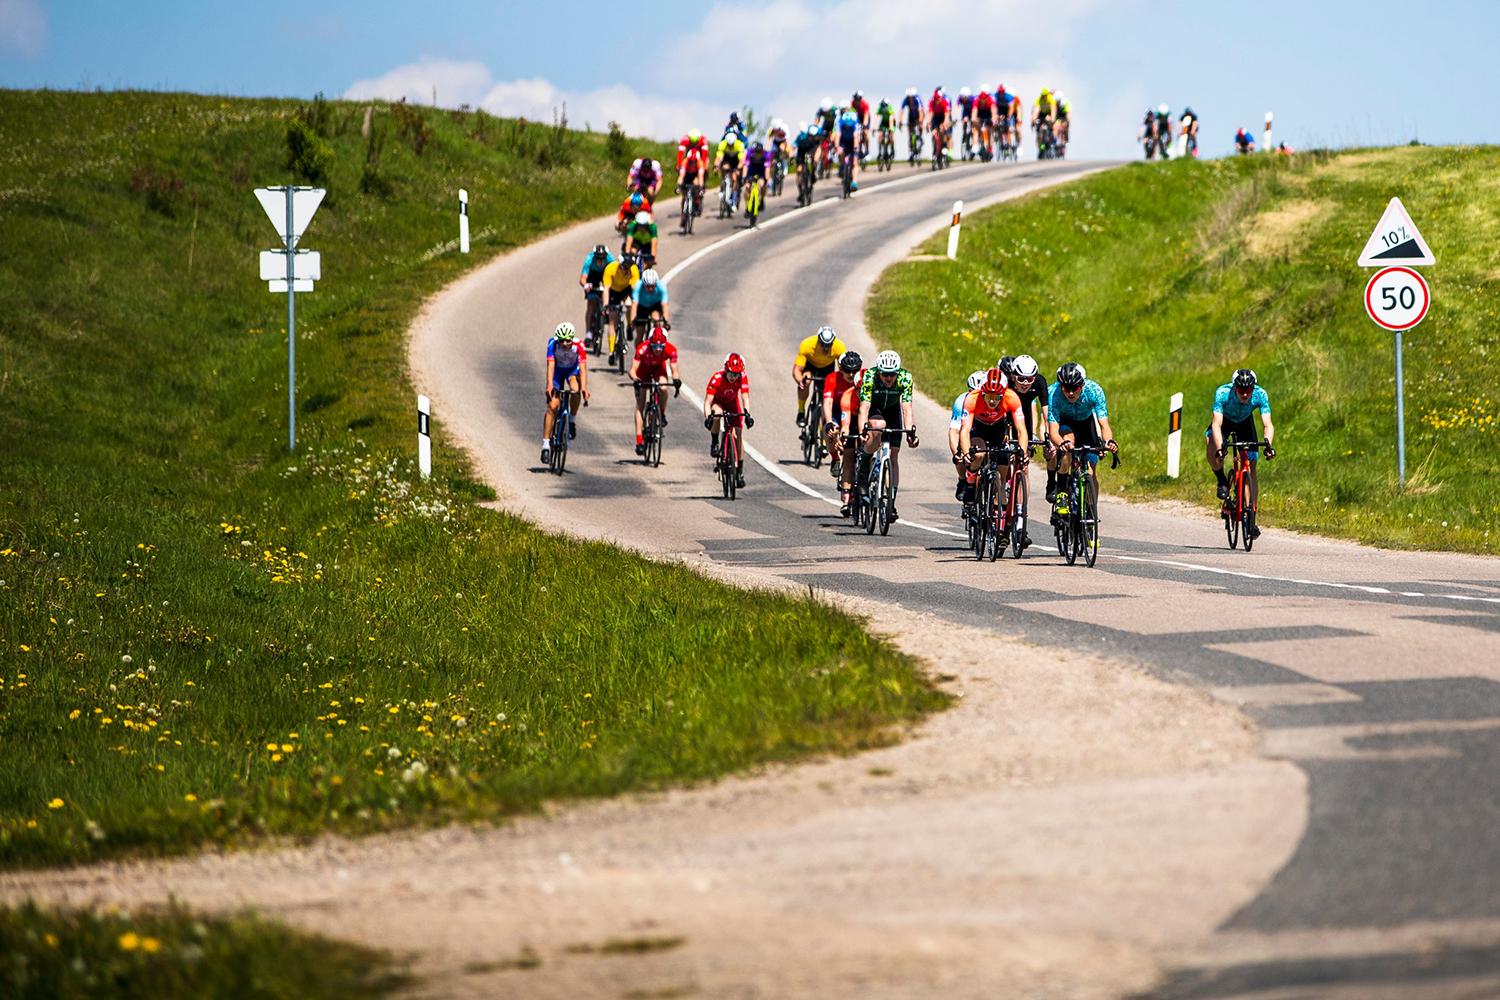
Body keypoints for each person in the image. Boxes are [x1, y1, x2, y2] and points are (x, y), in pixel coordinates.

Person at [958, 369, 1028, 541]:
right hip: (978, 428)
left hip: (998, 428)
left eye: (996, 397)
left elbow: (1021, 430)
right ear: (982, 392)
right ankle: (971, 480)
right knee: (979, 455)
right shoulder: (972, 398)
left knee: (1002, 475)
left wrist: (1023, 452)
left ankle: (999, 523)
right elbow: (965, 430)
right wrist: (967, 453)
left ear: (1003, 394)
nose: (991, 401)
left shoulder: (1012, 398)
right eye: (987, 396)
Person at [1206, 368, 1275, 537]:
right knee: (1211, 444)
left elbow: (1268, 424)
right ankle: (1221, 480)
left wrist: (1268, 445)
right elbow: (1216, 424)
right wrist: (1221, 447)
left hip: (1245, 423)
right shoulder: (1222, 393)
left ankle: (1251, 518)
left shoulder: (1260, 394)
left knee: (1250, 468)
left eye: (1248, 390)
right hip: (1225, 422)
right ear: (1234, 387)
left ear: (1253, 388)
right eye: (1241, 390)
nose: (1245, 394)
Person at [1047, 362, 1117, 513]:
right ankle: (1062, 493)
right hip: (1065, 425)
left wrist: (1108, 441)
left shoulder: (1094, 391)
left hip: (1086, 424)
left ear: (1082, 385)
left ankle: (1091, 512)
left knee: (1091, 473)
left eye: (1075, 388)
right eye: (1066, 388)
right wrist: (1061, 443)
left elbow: (1104, 424)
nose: (1070, 393)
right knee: (1067, 446)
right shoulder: (1053, 394)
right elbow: (1053, 430)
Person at [856, 350, 918, 521]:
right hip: (875, 410)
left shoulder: (905, 378)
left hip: (893, 412)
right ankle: (864, 461)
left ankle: (891, 501)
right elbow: (864, 408)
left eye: (892, 375)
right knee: (878, 427)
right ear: (879, 371)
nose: (889, 379)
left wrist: (910, 432)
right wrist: (863, 430)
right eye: (885, 375)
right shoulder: (870, 376)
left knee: (893, 455)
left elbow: (907, 408)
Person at [1006, 354, 1054, 501]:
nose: (1026, 383)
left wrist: (1049, 437)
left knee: (1023, 465)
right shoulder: (1006, 383)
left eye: (1030, 379)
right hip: (1006, 416)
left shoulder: (1040, 383)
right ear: (1013, 377)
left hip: (1024, 417)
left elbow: (1047, 413)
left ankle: (1020, 511)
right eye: (1021, 379)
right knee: (1004, 457)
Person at [824, 350, 865, 516]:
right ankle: (834, 458)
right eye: (847, 370)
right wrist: (829, 422)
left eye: (854, 370)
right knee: (831, 433)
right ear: (840, 369)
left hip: (856, 413)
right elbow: (827, 402)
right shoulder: (832, 378)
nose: (850, 374)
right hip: (836, 410)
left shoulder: (864, 377)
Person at [629, 326, 682, 455]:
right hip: (643, 372)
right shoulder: (642, 349)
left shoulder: (671, 349)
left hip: (659, 369)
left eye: (660, 347)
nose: (658, 350)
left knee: (663, 388)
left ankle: (661, 414)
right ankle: (639, 441)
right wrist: (636, 379)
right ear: (650, 344)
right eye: (654, 347)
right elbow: (632, 370)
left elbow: (674, 370)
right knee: (640, 404)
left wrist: (676, 380)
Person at [542, 321, 589, 464]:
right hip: (557, 372)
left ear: (572, 338)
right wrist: (549, 385)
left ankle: (572, 420)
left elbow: (583, 368)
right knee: (553, 406)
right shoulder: (552, 344)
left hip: (571, 371)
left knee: (575, 390)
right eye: (562, 340)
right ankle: (545, 445)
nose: (565, 343)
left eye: (568, 340)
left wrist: (584, 388)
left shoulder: (579, 346)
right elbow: (550, 366)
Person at [704, 352, 753, 488]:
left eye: (736, 374)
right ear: (726, 370)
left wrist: (747, 414)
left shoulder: (742, 377)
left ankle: (740, 471)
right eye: (731, 374)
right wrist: (708, 417)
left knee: (738, 434)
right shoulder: (717, 378)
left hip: (732, 403)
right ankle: (714, 442)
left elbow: (745, 397)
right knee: (718, 413)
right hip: (718, 402)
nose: (733, 377)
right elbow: (708, 402)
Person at [792, 324, 847, 426]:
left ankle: (825, 419)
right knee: (806, 381)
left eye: (829, 345)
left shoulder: (839, 347)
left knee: (827, 392)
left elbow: (843, 370)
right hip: (810, 366)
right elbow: (797, 369)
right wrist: (800, 381)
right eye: (823, 345)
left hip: (827, 368)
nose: (826, 348)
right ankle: (801, 411)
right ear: (818, 341)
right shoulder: (807, 345)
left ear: (833, 342)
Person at [949, 370, 990, 500]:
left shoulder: (991, 401)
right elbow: (954, 431)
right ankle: (962, 481)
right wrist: (957, 453)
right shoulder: (961, 402)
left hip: (985, 429)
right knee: (960, 454)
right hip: (967, 430)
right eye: (973, 392)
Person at [599, 250, 641, 359]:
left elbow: (634, 289)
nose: (627, 269)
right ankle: (612, 351)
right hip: (613, 291)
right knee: (612, 320)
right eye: (624, 266)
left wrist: (635, 303)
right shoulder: (610, 269)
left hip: (626, 290)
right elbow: (606, 289)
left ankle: (629, 326)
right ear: (620, 264)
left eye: (629, 266)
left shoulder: (634, 269)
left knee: (629, 304)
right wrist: (606, 305)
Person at [577, 244, 614, 350]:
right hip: (592, 277)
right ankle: (588, 332)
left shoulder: (610, 259)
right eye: (598, 258)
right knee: (591, 304)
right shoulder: (589, 259)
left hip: (605, 275)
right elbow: (583, 278)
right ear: (595, 256)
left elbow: (614, 274)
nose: (601, 260)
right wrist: (586, 285)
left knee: (606, 293)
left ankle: (604, 312)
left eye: (603, 258)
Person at [628, 268, 669, 337]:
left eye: (652, 286)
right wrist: (632, 322)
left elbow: (665, 305)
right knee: (640, 333)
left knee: (656, 319)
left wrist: (666, 322)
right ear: (643, 284)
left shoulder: (661, 286)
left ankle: (656, 337)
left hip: (655, 305)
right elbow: (634, 305)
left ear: (656, 283)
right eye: (647, 286)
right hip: (642, 306)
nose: (650, 289)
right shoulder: (638, 286)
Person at [676, 129, 710, 214]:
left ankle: (698, 198)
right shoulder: (685, 141)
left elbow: (704, 158)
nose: (692, 163)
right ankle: (683, 213)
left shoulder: (703, 141)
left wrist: (701, 186)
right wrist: (678, 186)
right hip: (688, 159)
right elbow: (680, 155)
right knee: (684, 190)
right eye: (692, 143)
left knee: (698, 180)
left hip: (700, 159)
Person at [715, 130, 746, 210]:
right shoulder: (723, 144)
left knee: (735, 177)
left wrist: (738, 168)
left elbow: (742, 160)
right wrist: (716, 166)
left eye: (731, 144)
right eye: (729, 144)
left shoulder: (739, 145)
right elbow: (719, 157)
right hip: (727, 159)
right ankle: (722, 186)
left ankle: (734, 198)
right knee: (723, 168)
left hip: (736, 160)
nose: (730, 146)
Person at [743, 139, 773, 216]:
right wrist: (744, 177)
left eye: (759, 153)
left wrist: (767, 180)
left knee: (762, 184)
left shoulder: (766, 155)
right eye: (756, 152)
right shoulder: (749, 153)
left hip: (761, 171)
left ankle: (762, 199)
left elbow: (767, 169)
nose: (757, 155)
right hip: (752, 170)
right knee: (747, 187)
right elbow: (746, 166)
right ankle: (747, 206)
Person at [835, 108, 862, 189]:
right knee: (841, 153)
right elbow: (838, 135)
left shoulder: (855, 123)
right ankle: (842, 167)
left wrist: (856, 147)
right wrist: (837, 146)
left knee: (855, 162)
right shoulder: (841, 122)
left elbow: (856, 137)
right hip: (843, 141)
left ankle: (854, 182)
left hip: (853, 141)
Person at [928, 87, 950, 160]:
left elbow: (947, 115)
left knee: (942, 130)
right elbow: (930, 113)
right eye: (936, 99)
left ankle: (944, 146)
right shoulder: (932, 102)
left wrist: (944, 124)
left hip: (943, 117)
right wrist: (928, 122)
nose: (937, 100)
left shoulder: (945, 102)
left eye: (939, 99)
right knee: (934, 132)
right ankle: (935, 147)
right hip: (935, 118)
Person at [973, 87, 996, 158]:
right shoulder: (977, 100)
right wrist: (973, 119)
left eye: (984, 99)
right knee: (975, 129)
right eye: (981, 99)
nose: (982, 100)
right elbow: (974, 111)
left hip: (988, 116)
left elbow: (993, 110)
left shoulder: (991, 100)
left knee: (990, 131)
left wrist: (994, 119)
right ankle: (976, 144)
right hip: (980, 116)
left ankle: (990, 149)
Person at [850, 90, 871, 157]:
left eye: (858, 99)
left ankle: (867, 149)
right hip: (857, 118)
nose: (857, 101)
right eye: (855, 99)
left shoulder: (865, 104)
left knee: (865, 133)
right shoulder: (852, 104)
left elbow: (866, 115)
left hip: (864, 117)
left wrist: (865, 124)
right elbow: (850, 115)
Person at [957, 86, 975, 156]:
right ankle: (964, 136)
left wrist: (973, 118)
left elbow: (975, 110)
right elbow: (957, 107)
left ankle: (973, 143)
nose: (963, 99)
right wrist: (956, 117)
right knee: (964, 125)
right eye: (962, 97)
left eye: (965, 97)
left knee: (973, 128)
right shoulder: (960, 99)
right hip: (965, 113)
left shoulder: (973, 99)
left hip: (973, 112)